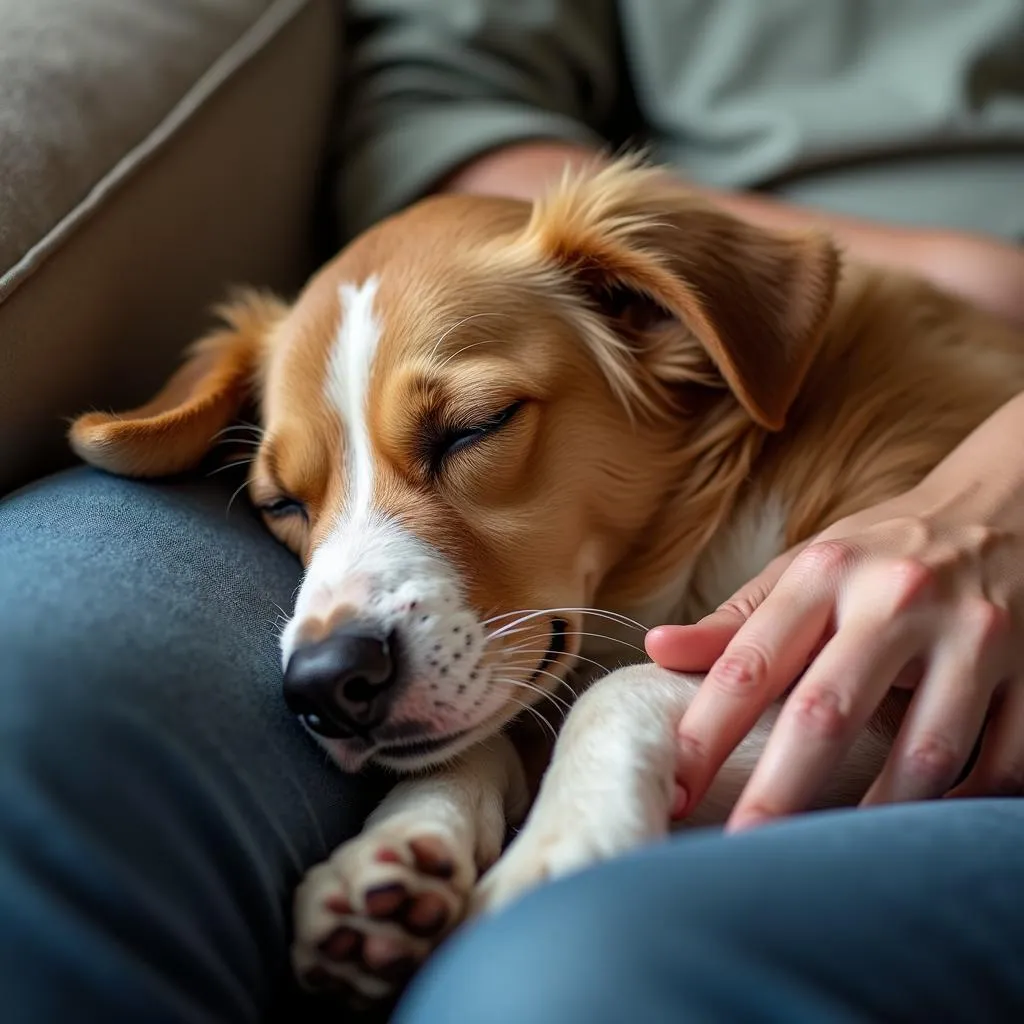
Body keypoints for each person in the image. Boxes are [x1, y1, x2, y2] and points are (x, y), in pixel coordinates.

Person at [2, 2, 1023, 1021]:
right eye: (285, 500)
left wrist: (616, 736)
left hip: (891, 362)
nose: (331, 639)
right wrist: (459, 780)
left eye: (465, 432)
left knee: (552, 981)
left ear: (656, 318)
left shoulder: (847, 400)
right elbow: (438, 96)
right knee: (26, 714)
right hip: (597, 260)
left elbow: (931, 688)